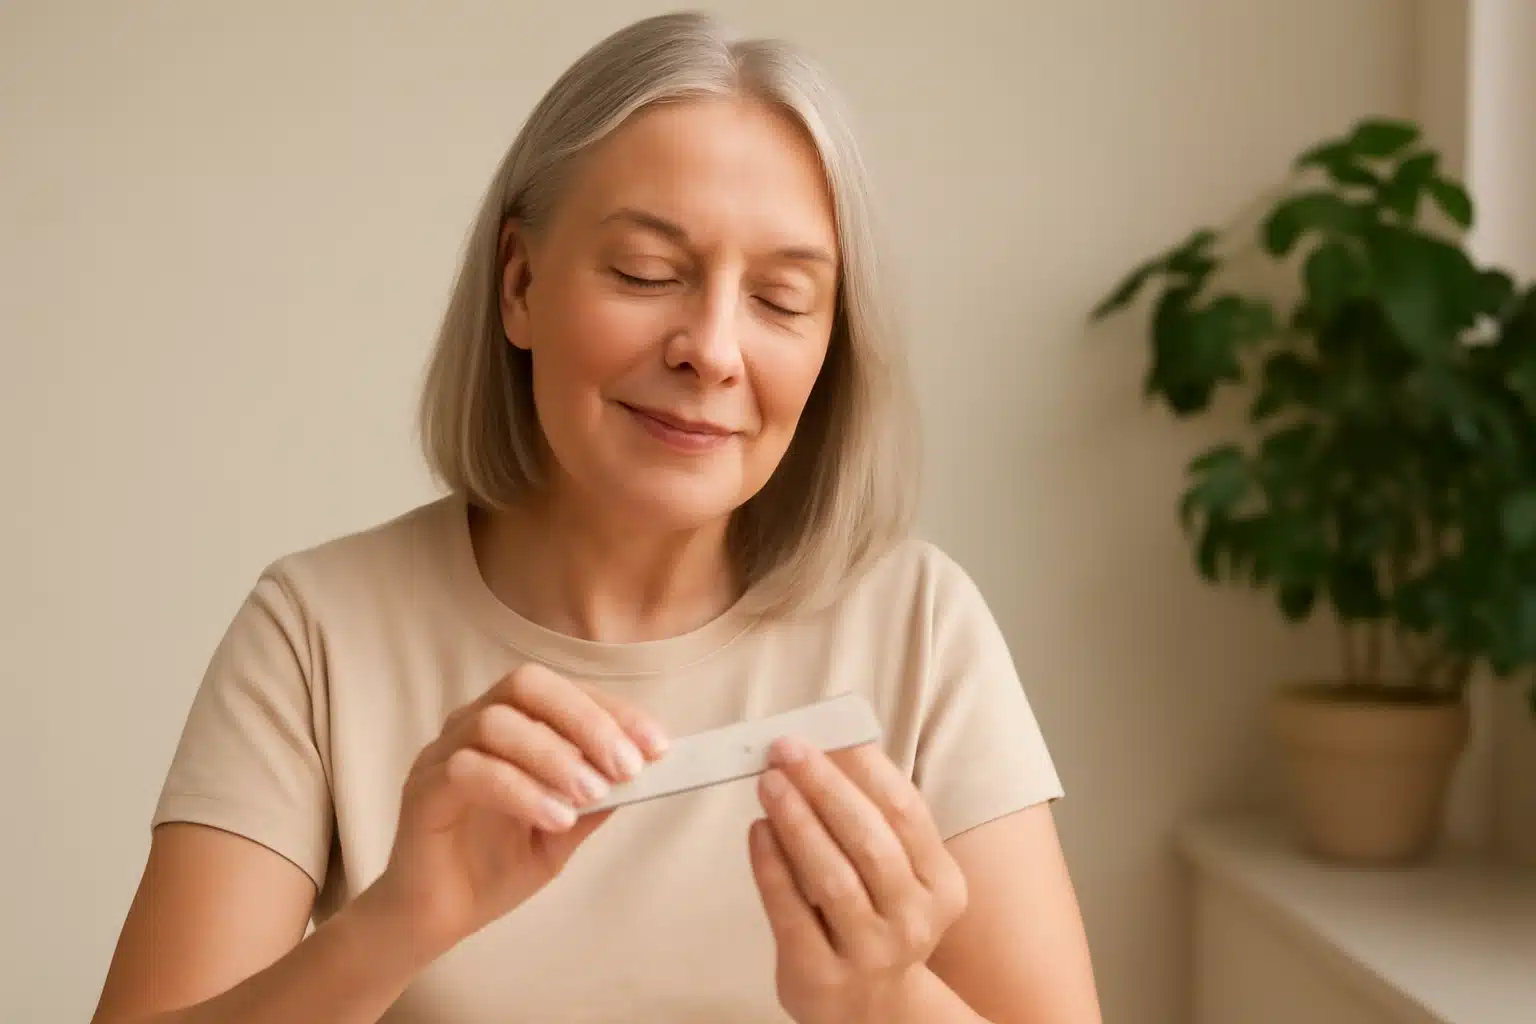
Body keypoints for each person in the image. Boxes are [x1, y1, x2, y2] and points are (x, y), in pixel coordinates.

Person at [91, 10, 1100, 1024]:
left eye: (782, 299)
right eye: (645, 273)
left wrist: (887, 999)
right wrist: (397, 922)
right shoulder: (317, 631)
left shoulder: (920, 627)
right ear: (520, 284)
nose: (712, 350)